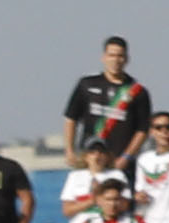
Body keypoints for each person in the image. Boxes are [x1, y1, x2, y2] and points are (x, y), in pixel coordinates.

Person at [61, 36, 150, 169]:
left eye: (120, 56)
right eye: (111, 55)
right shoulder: (86, 84)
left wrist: (126, 157)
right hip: (90, 159)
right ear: (104, 57)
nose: (115, 60)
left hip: (119, 162)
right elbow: (71, 118)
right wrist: (69, 150)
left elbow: (142, 130)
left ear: (126, 59)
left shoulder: (137, 91)